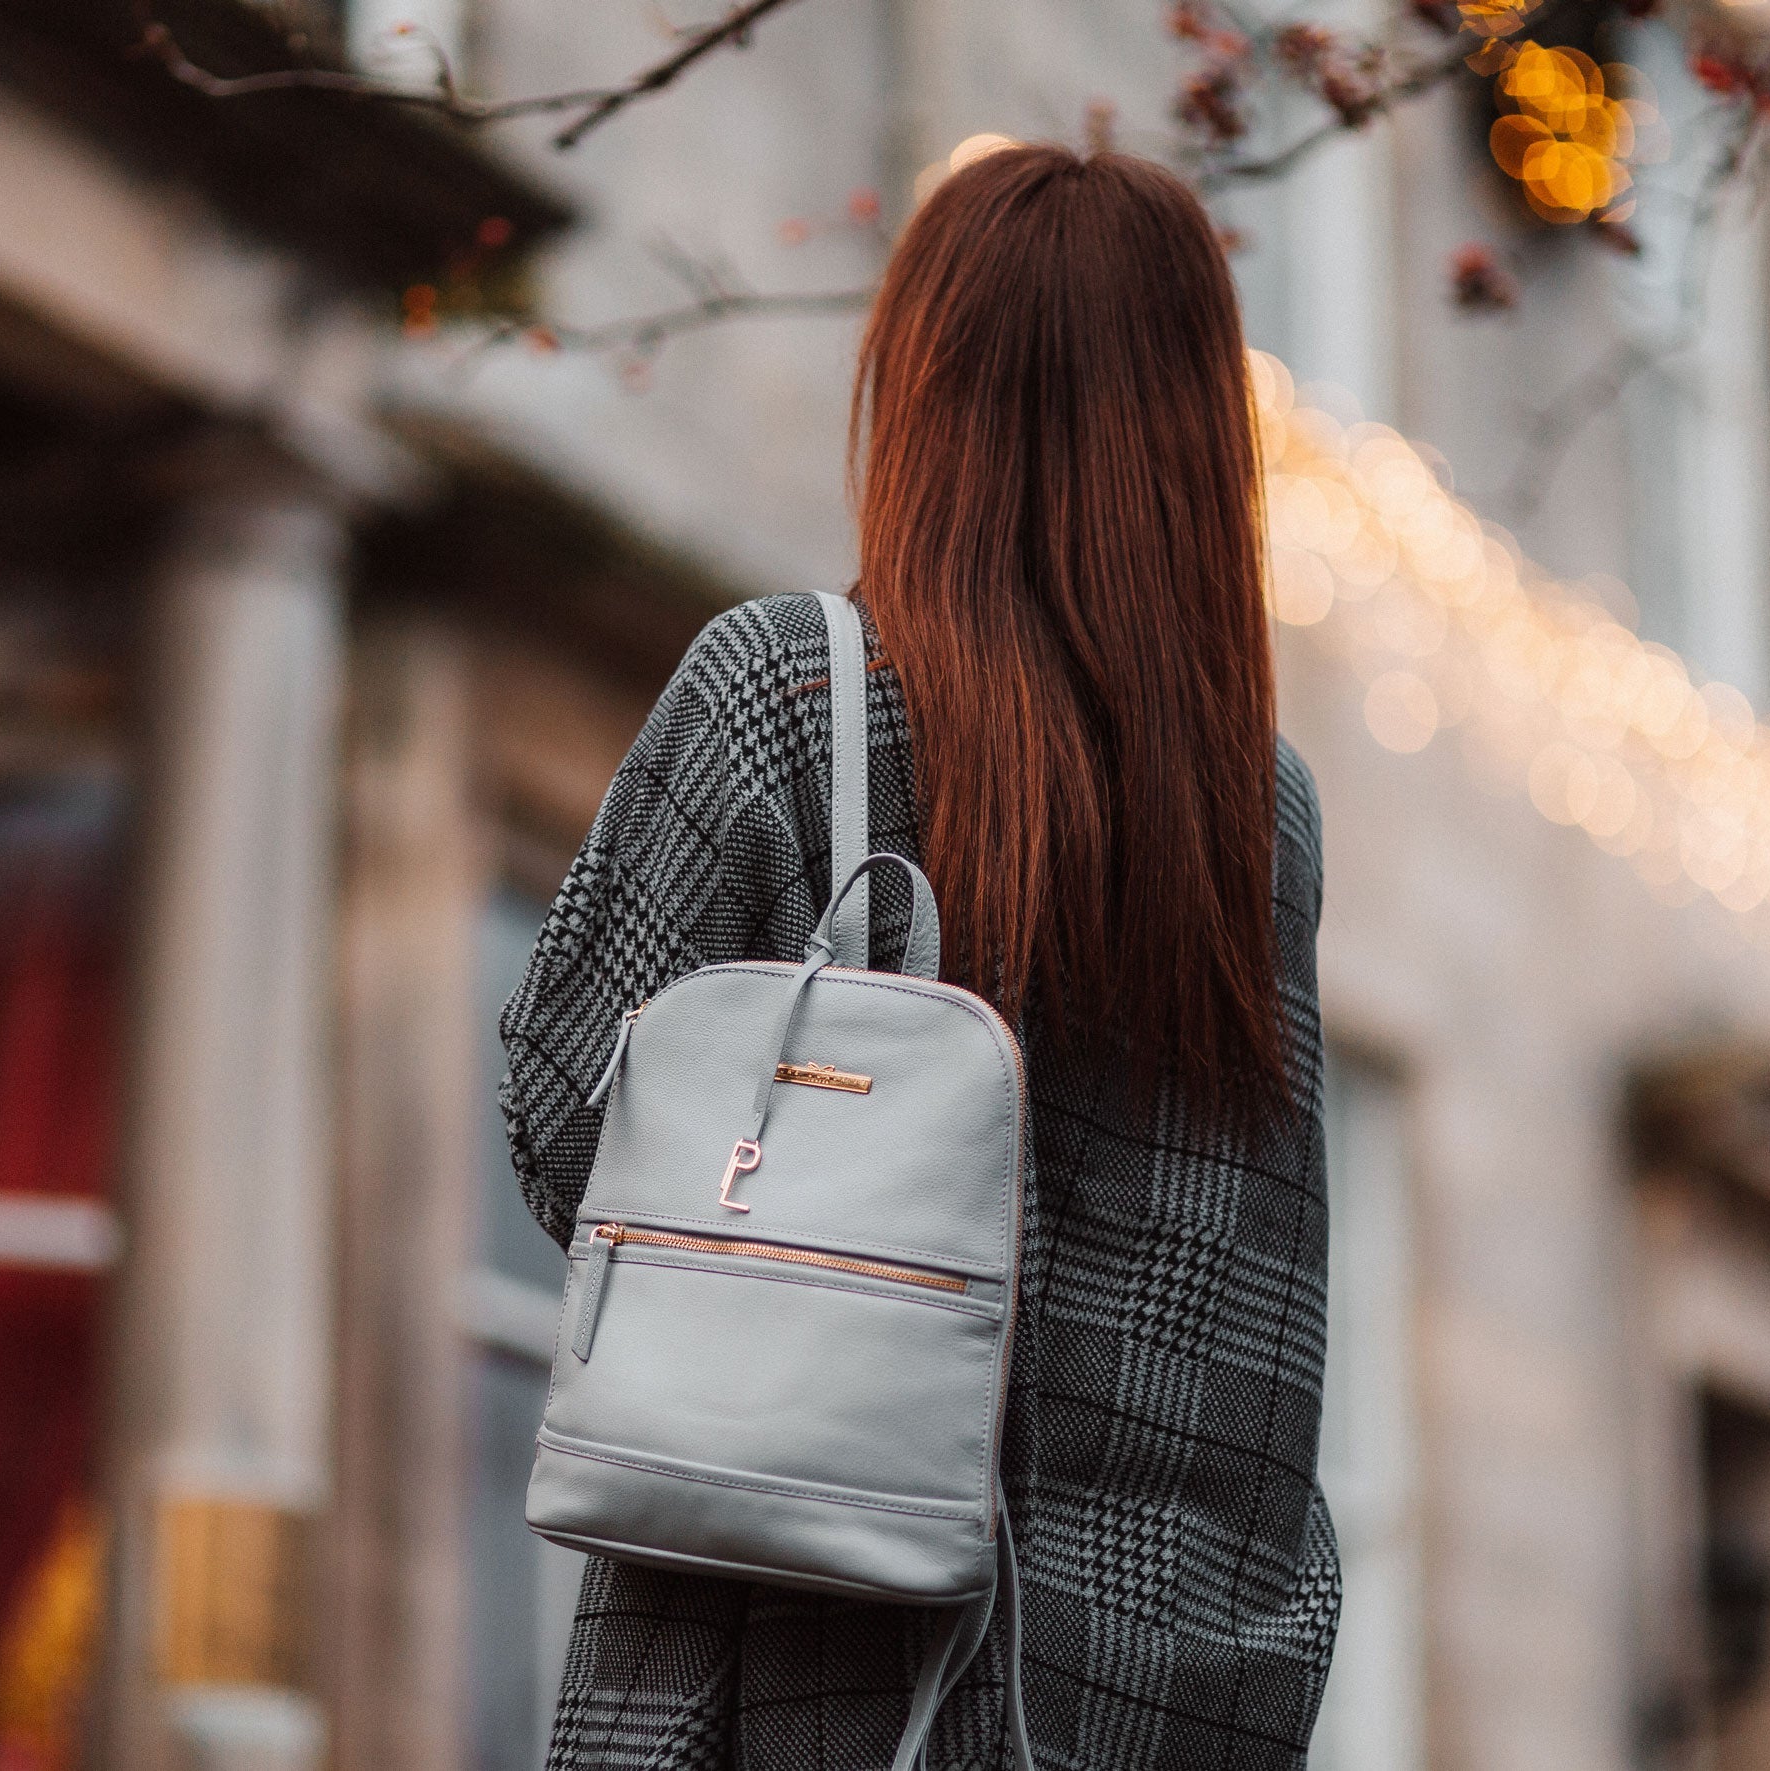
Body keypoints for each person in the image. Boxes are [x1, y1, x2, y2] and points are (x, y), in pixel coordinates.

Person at [498, 140, 1339, 1770]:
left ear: (927, 392)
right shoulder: (1261, 810)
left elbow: (561, 1131)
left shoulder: (786, 692)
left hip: (801, 1661)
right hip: (1140, 1701)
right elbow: (1265, 1306)